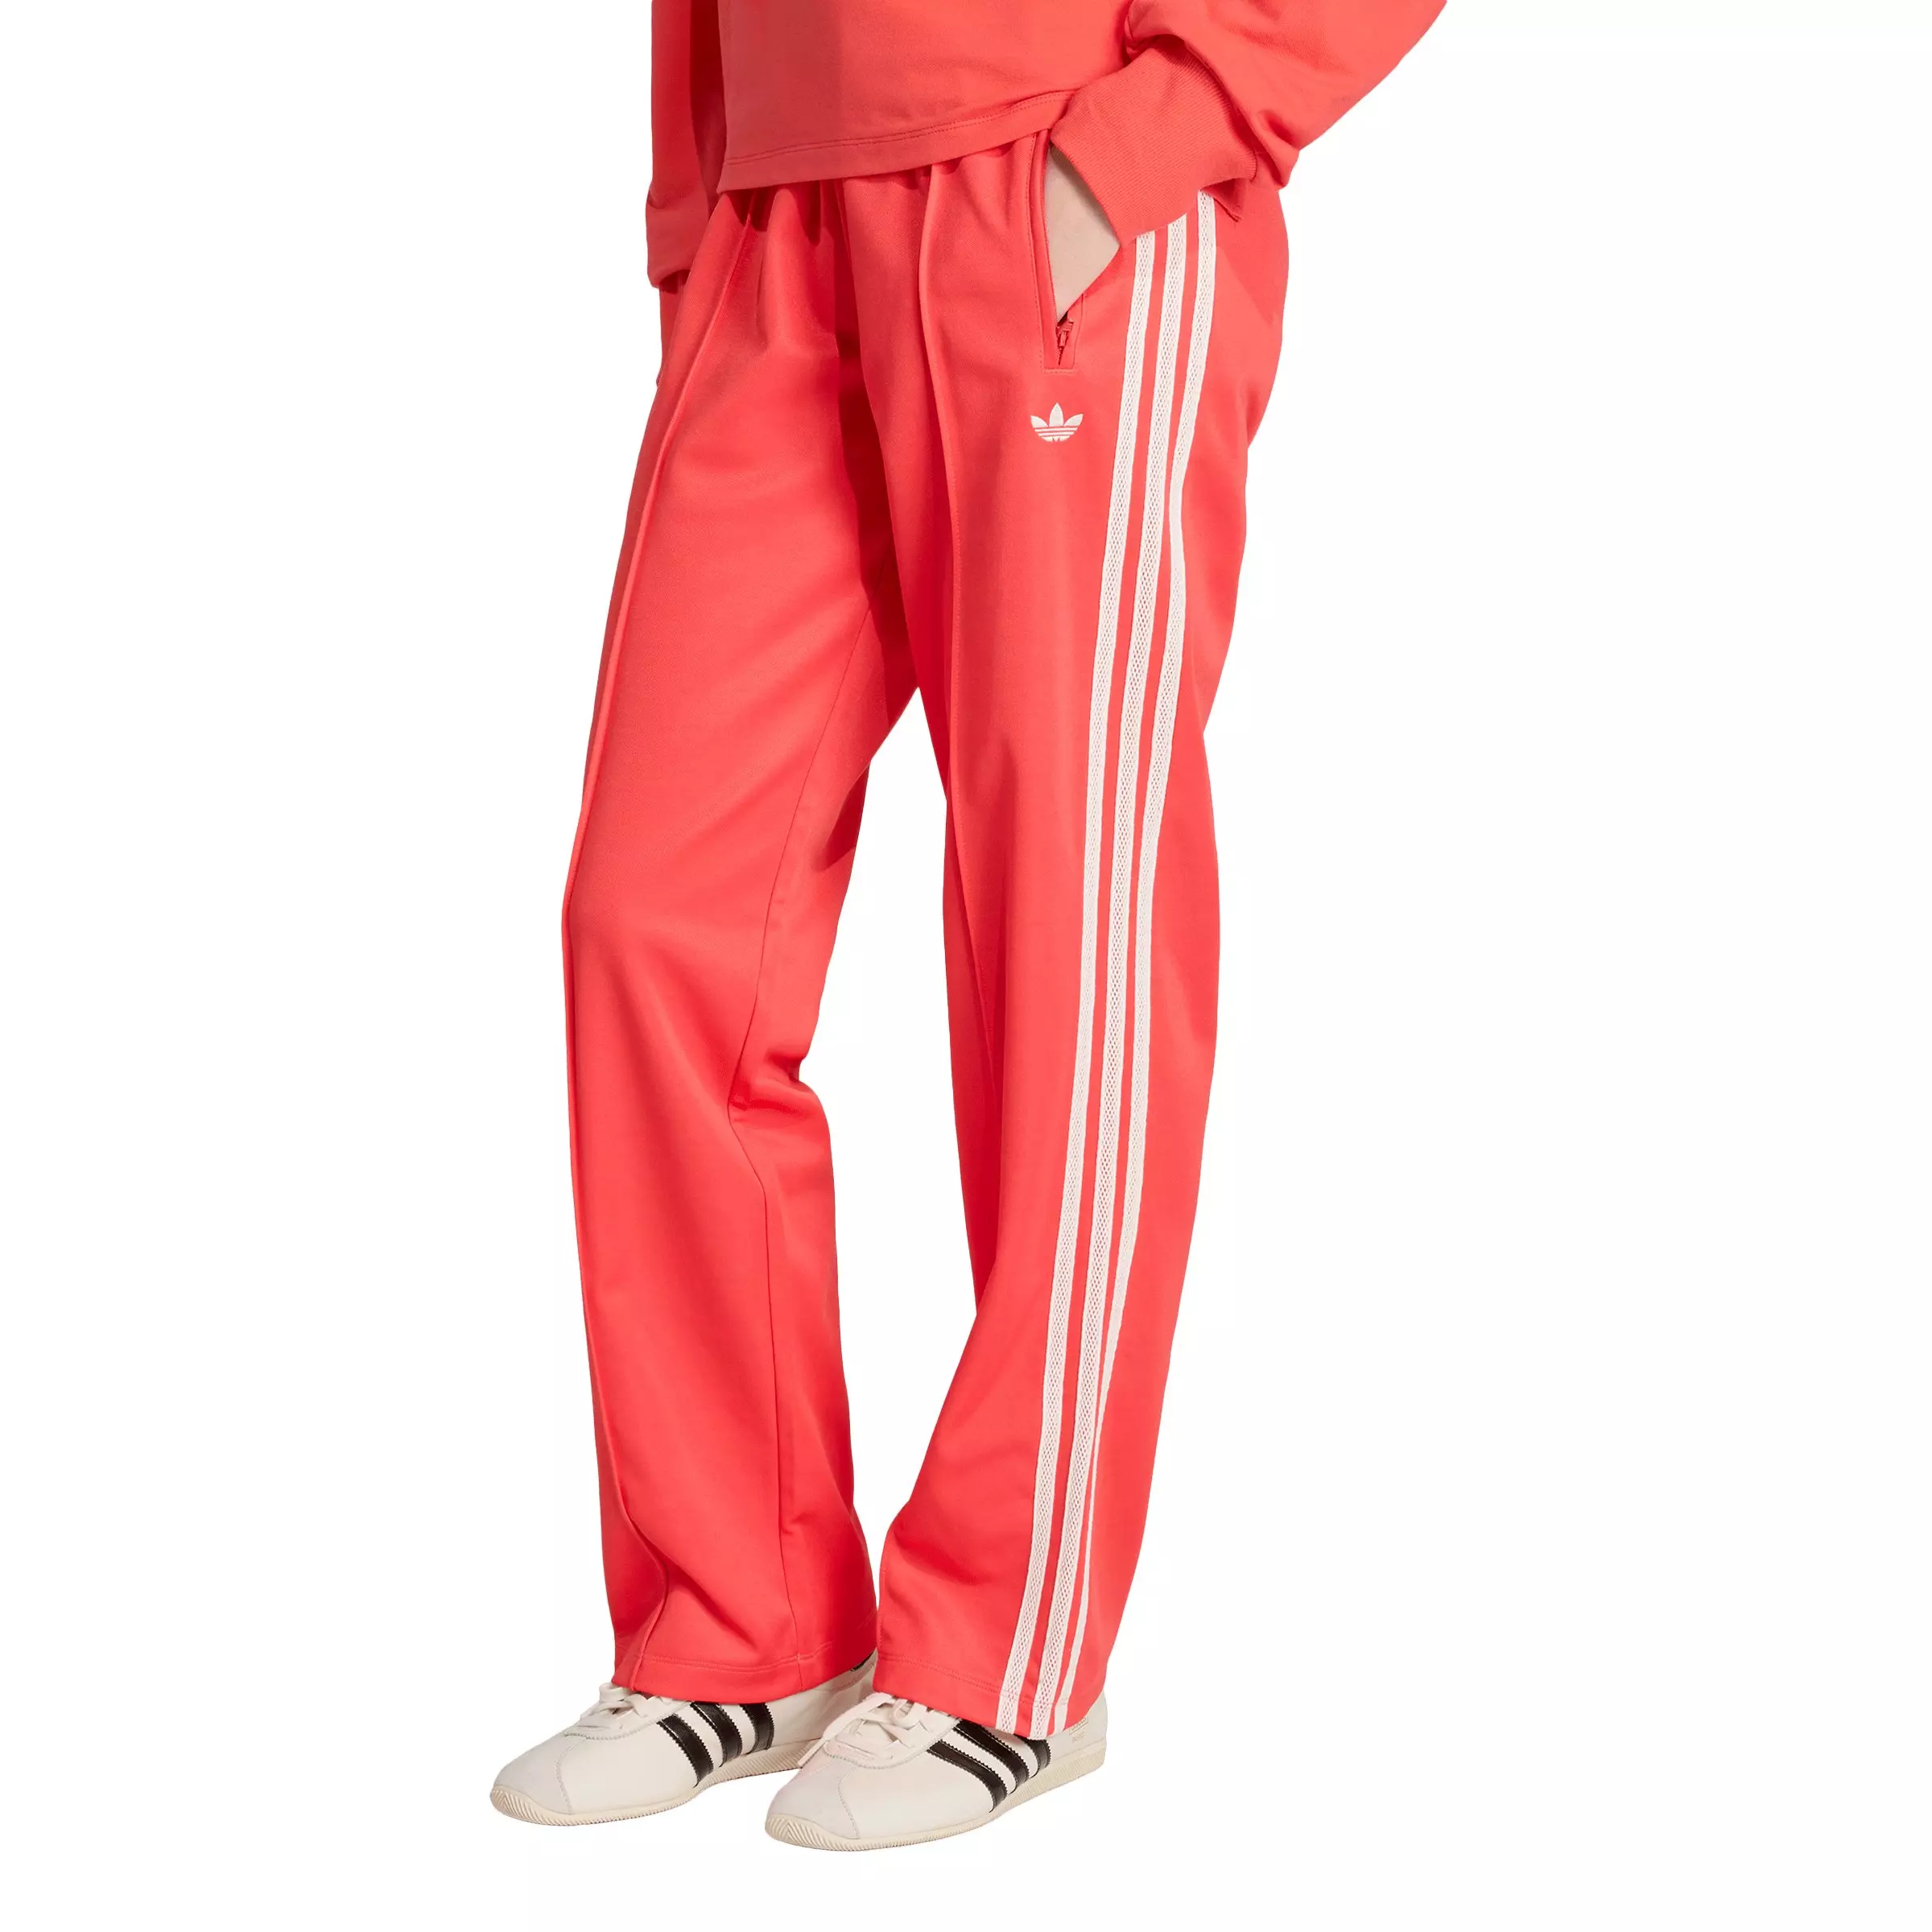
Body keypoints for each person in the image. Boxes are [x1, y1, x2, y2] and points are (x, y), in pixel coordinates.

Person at [492, 0, 1443, 1851]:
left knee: (1062, 931)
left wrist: (1158, 135)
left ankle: (1014, 1651)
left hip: (1059, 171)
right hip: (779, 205)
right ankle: (742, 1623)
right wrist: (696, 193)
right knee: (652, 918)